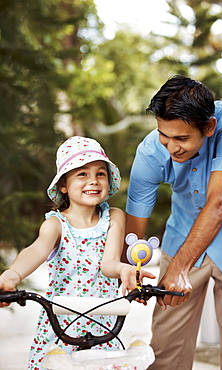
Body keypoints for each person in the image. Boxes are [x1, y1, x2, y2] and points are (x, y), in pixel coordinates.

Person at [125, 75, 222, 370]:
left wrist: (180, 267)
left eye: (182, 138)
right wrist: (129, 270)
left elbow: (220, 203)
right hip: (182, 234)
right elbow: (135, 226)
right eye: (163, 135)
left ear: (208, 127)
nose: (171, 147)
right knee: (165, 351)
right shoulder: (150, 153)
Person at [0, 136, 155, 370]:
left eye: (100, 174)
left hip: (102, 316)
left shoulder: (114, 217)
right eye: (82, 174)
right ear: (63, 185)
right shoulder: (56, 224)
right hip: (61, 319)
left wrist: (124, 268)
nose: (93, 181)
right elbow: (37, 249)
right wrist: (12, 275)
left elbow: (109, 263)